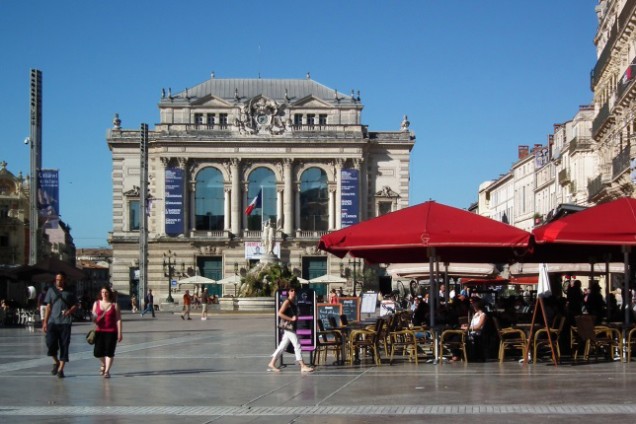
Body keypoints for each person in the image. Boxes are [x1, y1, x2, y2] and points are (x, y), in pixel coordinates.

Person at [267, 288, 314, 373]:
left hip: (290, 327)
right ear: (288, 292)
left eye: (294, 290)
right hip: (289, 327)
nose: (293, 292)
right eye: (291, 290)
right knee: (297, 345)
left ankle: (272, 362)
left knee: (282, 346)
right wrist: (291, 319)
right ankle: (302, 366)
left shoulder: (293, 303)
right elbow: (280, 313)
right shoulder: (287, 302)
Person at [42, 272, 79, 378]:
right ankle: (56, 361)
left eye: (60, 279)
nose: (58, 281)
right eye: (57, 279)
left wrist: (70, 311)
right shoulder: (51, 290)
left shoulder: (70, 291)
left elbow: (76, 305)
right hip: (52, 322)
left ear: (64, 280)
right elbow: (48, 307)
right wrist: (45, 322)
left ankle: (61, 370)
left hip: (65, 322)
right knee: (50, 343)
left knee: (64, 345)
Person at [92, 285, 122, 378]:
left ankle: (107, 371)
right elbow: (93, 317)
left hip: (111, 331)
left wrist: (120, 333)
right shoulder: (96, 304)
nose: (104, 294)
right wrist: (94, 318)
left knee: (109, 351)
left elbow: (118, 319)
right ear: (100, 293)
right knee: (97, 352)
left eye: (106, 292)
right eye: (102, 292)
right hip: (99, 330)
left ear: (109, 293)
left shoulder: (115, 305)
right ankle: (103, 364)